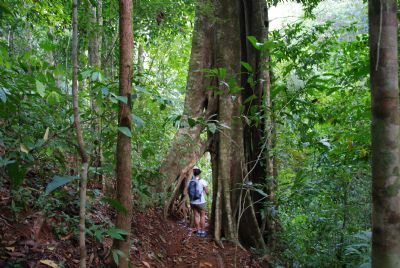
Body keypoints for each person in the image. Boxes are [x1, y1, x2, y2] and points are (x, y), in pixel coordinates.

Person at [188, 166, 209, 237]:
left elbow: (186, 192)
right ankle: (203, 232)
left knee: (196, 216)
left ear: (193, 173)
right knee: (202, 216)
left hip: (192, 202)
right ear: (199, 173)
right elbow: (207, 192)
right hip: (201, 202)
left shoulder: (190, 182)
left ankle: (198, 231)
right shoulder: (203, 181)